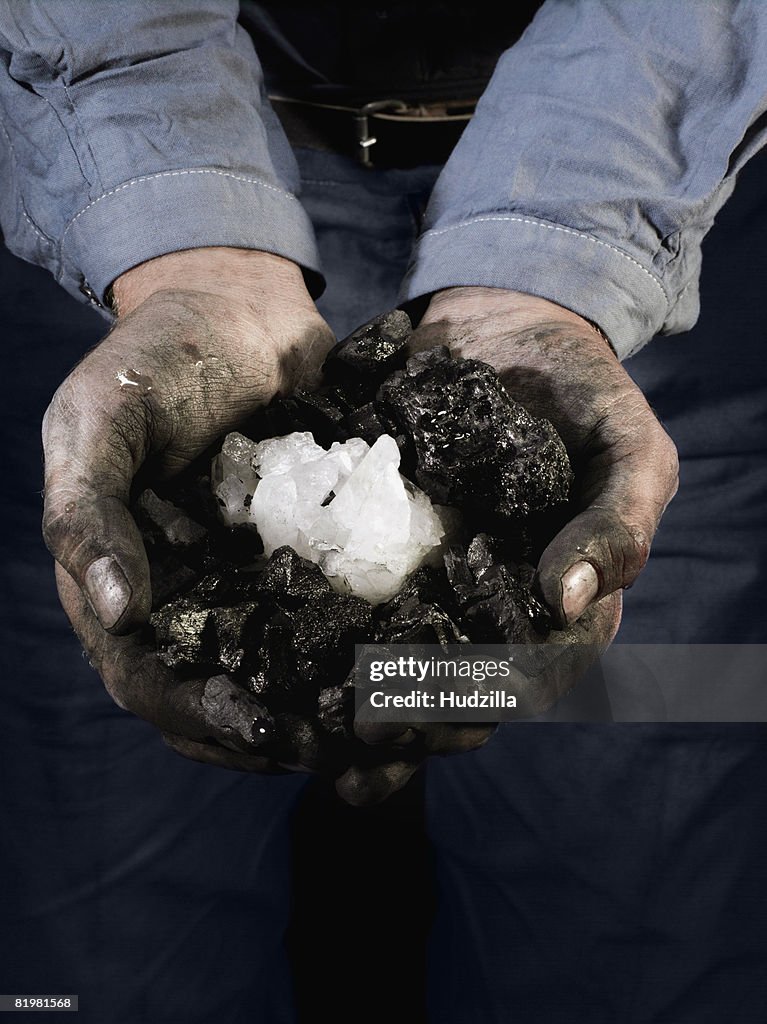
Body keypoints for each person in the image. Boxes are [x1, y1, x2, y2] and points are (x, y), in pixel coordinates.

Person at [1, 2, 766, 1021]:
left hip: (665, 214)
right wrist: (181, 245)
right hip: (122, 202)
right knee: (96, 961)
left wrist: (560, 255)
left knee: (643, 931)